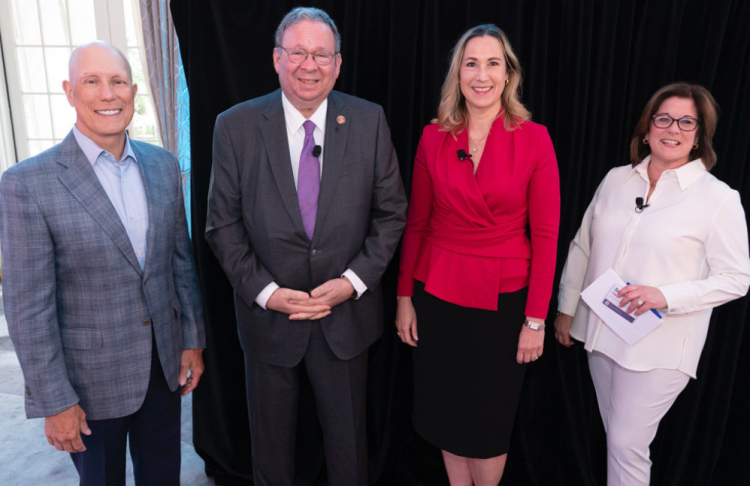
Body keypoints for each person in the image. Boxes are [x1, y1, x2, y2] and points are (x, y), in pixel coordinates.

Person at [205, 7, 407, 486]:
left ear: (338, 64)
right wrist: (266, 292)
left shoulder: (368, 120)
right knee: (271, 456)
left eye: (321, 54)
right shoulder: (234, 126)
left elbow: (392, 213)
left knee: (347, 453)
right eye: (298, 52)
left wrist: (352, 283)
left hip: (345, 319)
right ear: (277, 59)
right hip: (268, 319)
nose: (309, 64)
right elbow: (222, 224)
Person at [0, 42, 205, 485]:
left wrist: (191, 339)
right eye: (92, 82)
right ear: (70, 92)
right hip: (87, 385)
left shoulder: (164, 165)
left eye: (117, 82)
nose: (107, 94)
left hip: (161, 369)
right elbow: (27, 308)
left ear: (133, 90)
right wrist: (55, 401)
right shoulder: (27, 183)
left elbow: (179, 264)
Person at [554, 82, 750, 485]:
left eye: (686, 122)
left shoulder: (719, 198)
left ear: (699, 137)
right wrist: (567, 309)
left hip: (660, 346)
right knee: (618, 442)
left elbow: (737, 279)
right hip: (601, 332)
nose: (672, 128)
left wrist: (665, 295)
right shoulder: (615, 180)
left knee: (626, 446)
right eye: (663, 118)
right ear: (647, 128)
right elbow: (582, 246)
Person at [396, 24, 560, 485]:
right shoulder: (434, 138)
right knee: (448, 412)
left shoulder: (535, 139)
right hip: (439, 293)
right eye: (471, 63)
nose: (481, 74)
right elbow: (417, 224)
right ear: (458, 73)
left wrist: (535, 320)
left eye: (493, 63)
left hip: (505, 304)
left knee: (487, 422)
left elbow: (546, 237)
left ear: (508, 75)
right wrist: (404, 296)